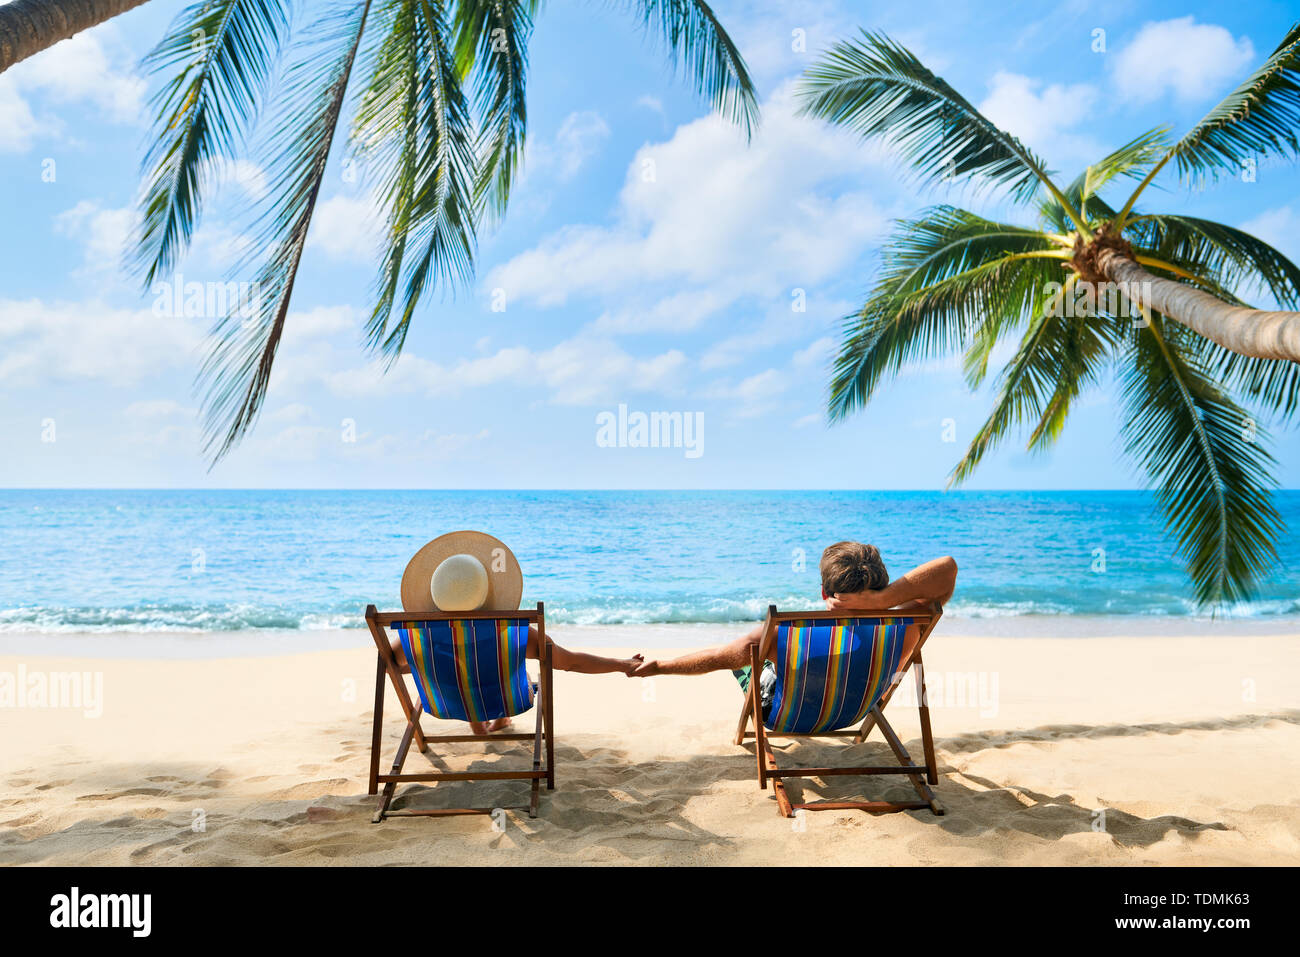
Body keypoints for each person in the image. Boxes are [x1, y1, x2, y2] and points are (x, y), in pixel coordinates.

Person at [629, 542, 957, 718]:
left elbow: (718, 658)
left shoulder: (788, 632)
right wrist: (884, 602)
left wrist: (658, 667)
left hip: (792, 714)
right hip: (857, 709)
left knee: (745, 659)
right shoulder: (908, 623)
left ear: (824, 592)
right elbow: (947, 569)